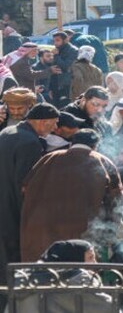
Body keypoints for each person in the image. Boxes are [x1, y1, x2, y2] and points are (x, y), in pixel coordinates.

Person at [19, 129, 123, 262]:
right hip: (80, 228)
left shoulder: (49, 158)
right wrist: (112, 227)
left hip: (41, 226)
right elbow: (116, 199)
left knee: (43, 270)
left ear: (72, 143)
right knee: (74, 270)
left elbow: (25, 187)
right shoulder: (102, 161)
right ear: (95, 145)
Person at [0, 103, 58, 278]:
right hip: (11, 211)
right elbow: (25, 185)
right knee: (11, 264)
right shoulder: (30, 143)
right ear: (41, 122)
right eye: (53, 122)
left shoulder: (6, 132)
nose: (55, 128)